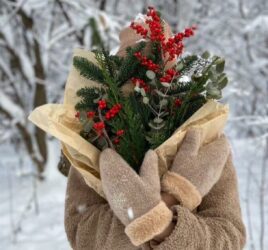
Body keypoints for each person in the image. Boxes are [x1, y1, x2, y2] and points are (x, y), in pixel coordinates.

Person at [64, 128, 246, 249]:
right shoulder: (97, 133)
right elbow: (81, 231)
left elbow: (230, 237)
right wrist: (168, 200)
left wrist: (162, 225)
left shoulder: (204, 134)